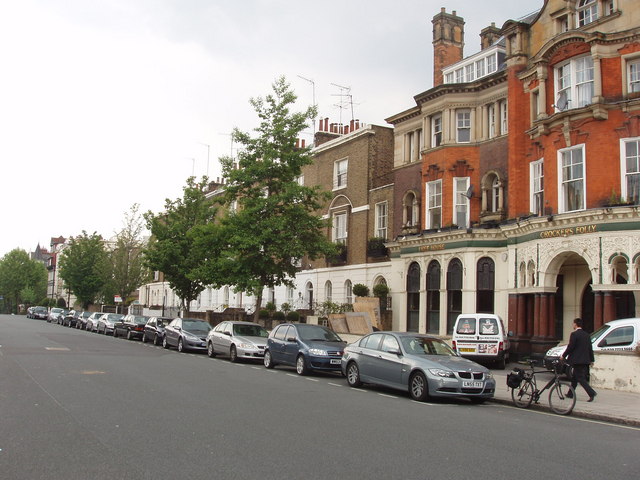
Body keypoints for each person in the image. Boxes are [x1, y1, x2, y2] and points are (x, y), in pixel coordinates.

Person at [562, 318, 597, 402]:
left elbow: (571, 347)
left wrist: (563, 355)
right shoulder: (586, 335)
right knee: (575, 377)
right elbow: (590, 348)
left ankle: (591, 393)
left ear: (575, 324)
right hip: (585, 360)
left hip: (577, 360)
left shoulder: (574, 334)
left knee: (580, 378)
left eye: (573, 324)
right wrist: (592, 360)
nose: (573, 325)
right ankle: (570, 393)